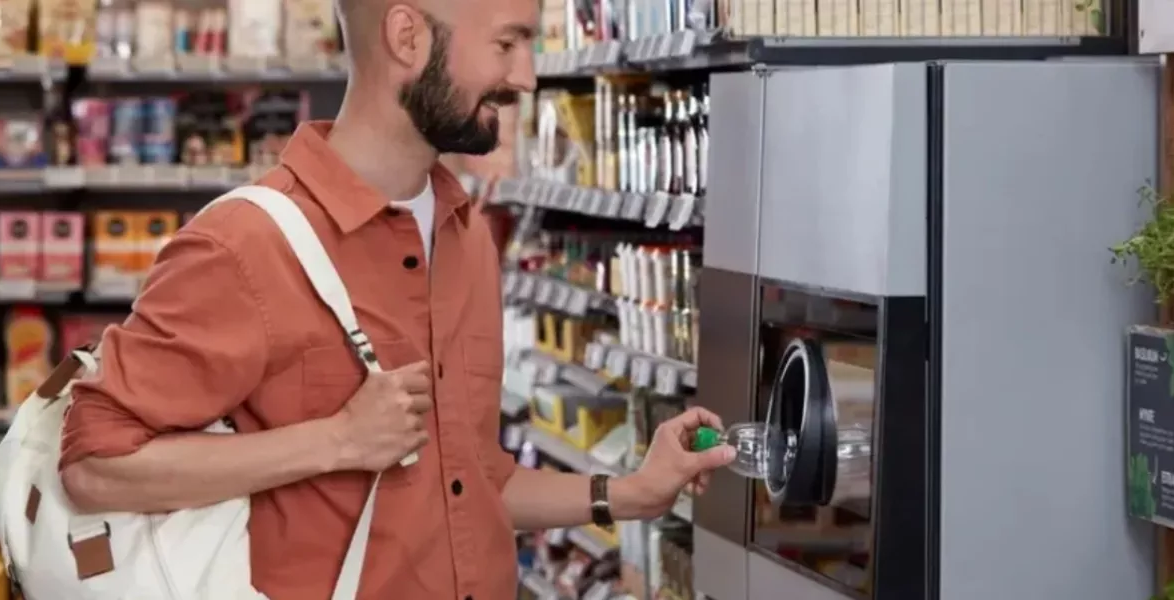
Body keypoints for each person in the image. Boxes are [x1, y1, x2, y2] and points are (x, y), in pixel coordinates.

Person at [56, 0, 737, 597]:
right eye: (507, 43)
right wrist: (336, 441)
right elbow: (96, 468)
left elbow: (469, 479)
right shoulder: (244, 244)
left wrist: (630, 494)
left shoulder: (464, 232)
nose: (527, 77)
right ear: (408, 38)